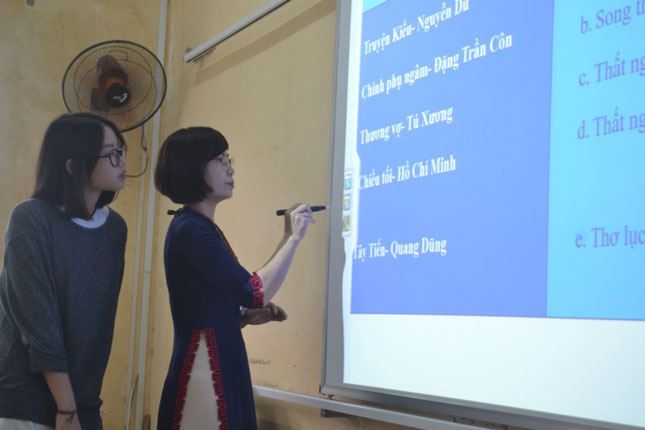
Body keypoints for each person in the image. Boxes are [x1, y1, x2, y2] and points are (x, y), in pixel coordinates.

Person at [154, 127, 314, 430]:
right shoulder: (190, 228)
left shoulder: (197, 225)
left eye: (229, 159)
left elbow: (229, 297)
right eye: (220, 160)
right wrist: (293, 240)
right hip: (205, 369)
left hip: (217, 359)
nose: (231, 168)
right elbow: (254, 291)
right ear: (192, 167)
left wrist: (242, 316)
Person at [0, 113, 128, 430]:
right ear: (73, 166)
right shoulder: (31, 219)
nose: (121, 160)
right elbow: (39, 324)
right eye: (111, 153)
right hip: (26, 402)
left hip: (83, 404)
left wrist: (80, 408)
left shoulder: (115, 229)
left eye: (121, 150)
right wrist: (66, 408)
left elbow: (99, 325)